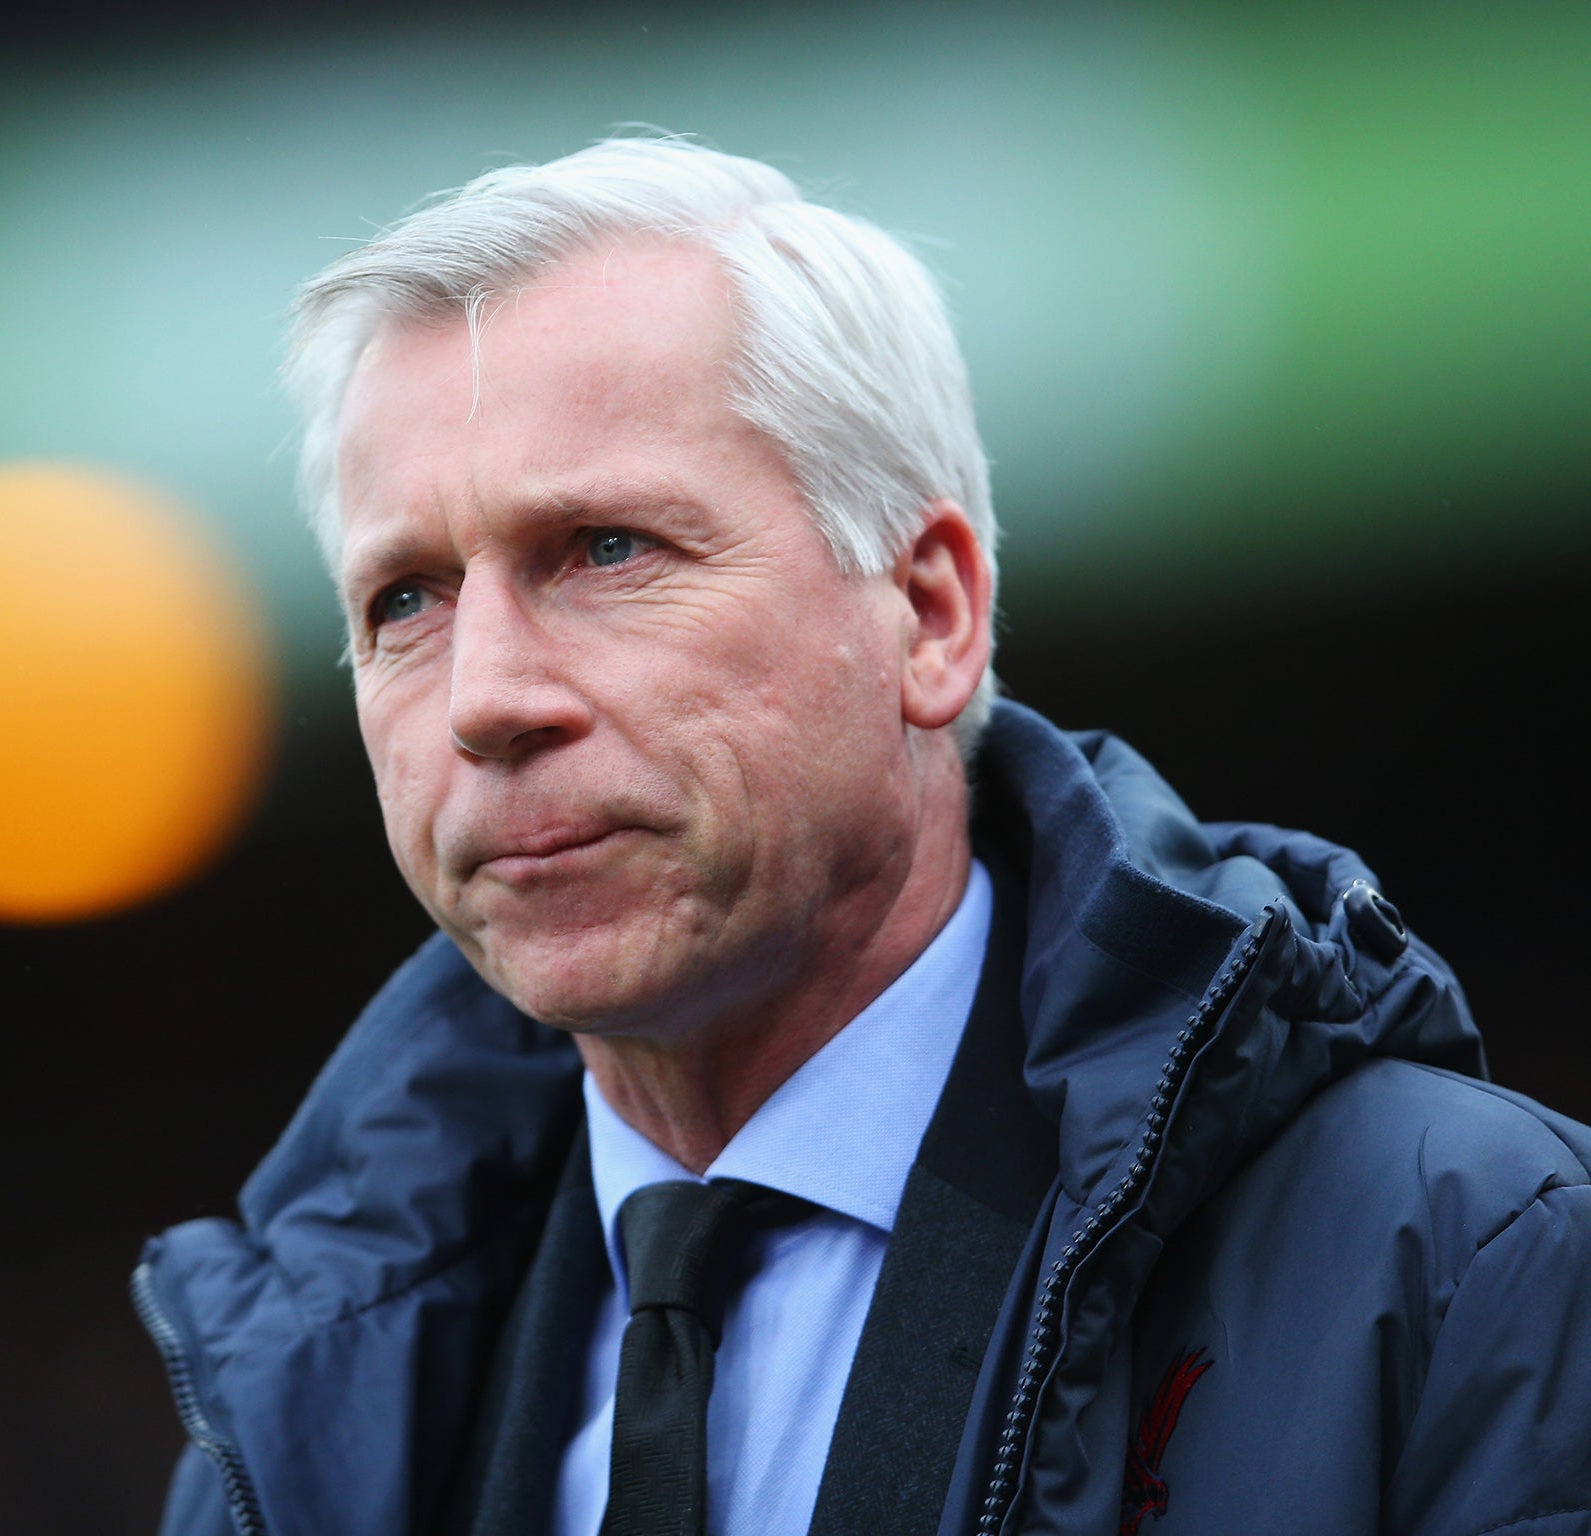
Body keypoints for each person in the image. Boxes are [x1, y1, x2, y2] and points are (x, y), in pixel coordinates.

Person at [132, 139, 1591, 1536]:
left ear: (931, 613)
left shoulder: (1467, 1257)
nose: (486, 698)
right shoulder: (295, 1413)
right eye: (405, 600)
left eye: (608, 550)